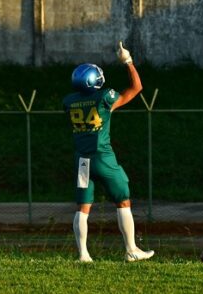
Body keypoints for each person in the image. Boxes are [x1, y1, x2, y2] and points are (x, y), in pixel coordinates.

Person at [62, 41, 154, 263]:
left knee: (83, 208)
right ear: (94, 81)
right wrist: (128, 62)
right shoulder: (104, 97)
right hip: (103, 157)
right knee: (123, 200)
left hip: (82, 160)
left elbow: (85, 103)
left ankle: (83, 254)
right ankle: (131, 249)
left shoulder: (69, 101)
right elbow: (135, 89)